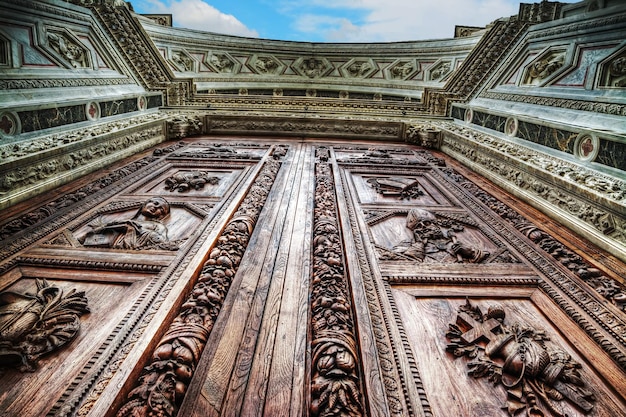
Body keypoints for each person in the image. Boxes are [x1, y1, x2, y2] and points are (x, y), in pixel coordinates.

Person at [394, 208, 489, 263]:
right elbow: (400, 262)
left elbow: (484, 255)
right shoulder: (408, 244)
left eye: (427, 223)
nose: (423, 228)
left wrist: (470, 252)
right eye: (419, 226)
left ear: (436, 225)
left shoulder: (452, 241)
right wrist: (419, 244)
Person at [82, 197, 171, 250]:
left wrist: (133, 228)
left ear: (161, 216)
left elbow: (162, 242)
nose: (155, 207)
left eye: (161, 209)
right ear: (145, 204)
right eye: (155, 203)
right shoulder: (123, 218)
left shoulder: (158, 226)